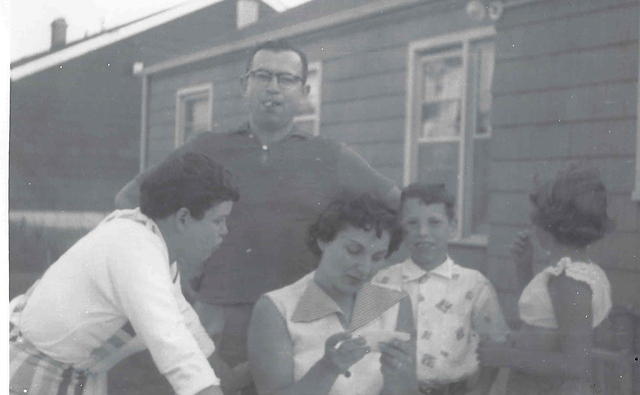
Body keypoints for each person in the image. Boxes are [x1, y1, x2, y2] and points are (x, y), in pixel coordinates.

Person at [115, 39, 399, 393]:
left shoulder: (330, 156)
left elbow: (395, 207)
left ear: (304, 90)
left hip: (299, 319)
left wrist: (362, 269)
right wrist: (173, 276)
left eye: (286, 79)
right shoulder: (206, 148)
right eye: (263, 76)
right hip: (218, 316)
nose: (273, 88)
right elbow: (131, 200)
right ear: (243, 86)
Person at [10, 152, 238, 395]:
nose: (225, 231)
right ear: (183, 218)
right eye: (218, 221)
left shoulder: (152, 247)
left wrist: (232, 381)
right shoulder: (133, 247)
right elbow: (172, 344)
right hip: (30, 373)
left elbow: (188, 329)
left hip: (72, 374)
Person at [247, 194, 413, 395]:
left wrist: (396, 378)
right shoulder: (277, 308)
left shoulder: (395, 303)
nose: (365, 267)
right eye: (353, 250)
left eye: (377, 257)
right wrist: (327, 369)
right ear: (323, 240)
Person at [477, 164, 613, 395]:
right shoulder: (576, 271)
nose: (532, 226)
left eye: (534, 219)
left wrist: (506, 356)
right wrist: (524, 269)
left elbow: (577, 364)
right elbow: (541, 318)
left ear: (549, 224)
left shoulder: (570, 280)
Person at [372, 183, 509, 395]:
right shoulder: (383, 281)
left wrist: (481, 391)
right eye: (412, 223)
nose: (423, 232)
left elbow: (495, 344)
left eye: (434, 222)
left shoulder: (475, 284)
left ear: (452, 227)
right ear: (401, 227)